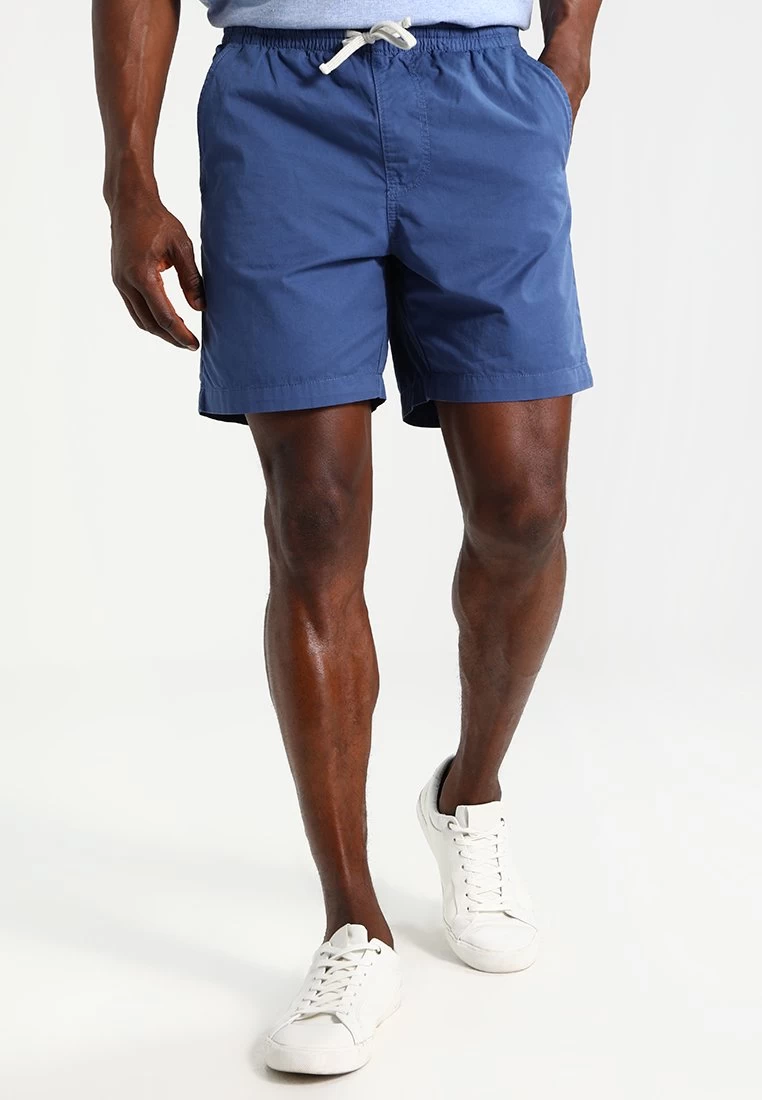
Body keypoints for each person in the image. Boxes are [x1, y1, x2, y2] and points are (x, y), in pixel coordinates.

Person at [93, 0, 602, 1077]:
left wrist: (570, 53)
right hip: (281, 106)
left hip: (484, 90)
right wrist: (127, 175)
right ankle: (353, 922)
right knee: (312, 519)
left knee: (525, 510)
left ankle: (468, 792)